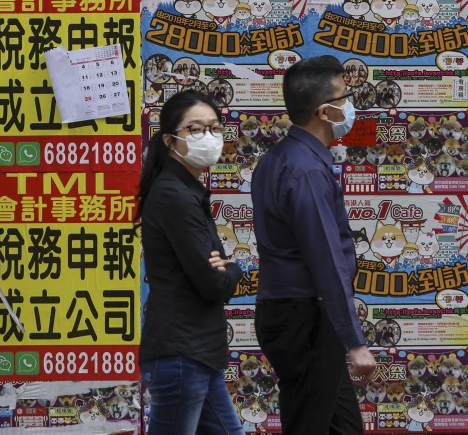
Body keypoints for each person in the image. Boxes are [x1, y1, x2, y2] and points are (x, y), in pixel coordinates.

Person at [251, 55, 376, 433]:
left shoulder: (281, 159)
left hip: (297, 315)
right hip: (304, 318)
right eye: (345, 97)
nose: (351, 104)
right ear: (325, 111)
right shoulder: (305, 170)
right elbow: (326, 259)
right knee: (309, 424)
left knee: (343, 426)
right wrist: (355, 341)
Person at [139, 90, 244, 435]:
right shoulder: (174, 194)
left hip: (198, 353)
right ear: (170, 141)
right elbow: (212, 282)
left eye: (214, 128)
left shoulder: (187, 190)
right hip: (181, 353)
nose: (209, 137)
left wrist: (223, 266)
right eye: (195, 129)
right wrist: (233, 268)